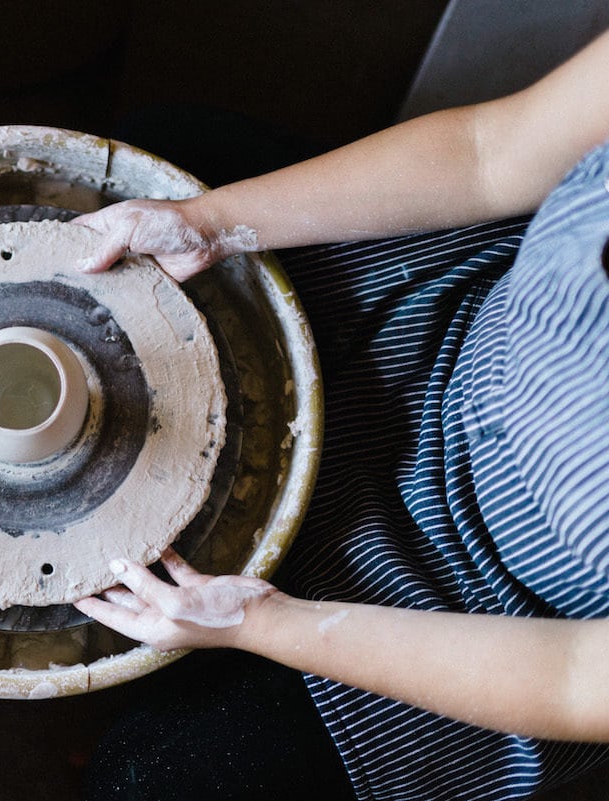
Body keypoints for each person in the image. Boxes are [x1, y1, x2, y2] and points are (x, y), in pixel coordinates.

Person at [71, 26, 609, 801]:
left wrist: (263, 624)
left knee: (153, 782)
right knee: (152, 151)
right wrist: (209, 223)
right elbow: (491, 152)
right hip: (441, 314)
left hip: (484, 609)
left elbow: (571, 678)